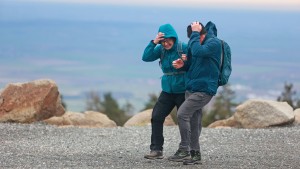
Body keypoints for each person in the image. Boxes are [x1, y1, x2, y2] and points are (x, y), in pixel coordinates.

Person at [168, 21, 222, 165]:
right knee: (194, 121)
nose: (195, 40)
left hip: (204, 90)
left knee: (182, 114)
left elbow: (198, 51)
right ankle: (195, 155)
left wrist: (195, 33)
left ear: (202, 33)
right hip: (192, 88)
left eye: (197, 36)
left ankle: (185, 149)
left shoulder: (214, 43)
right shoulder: (196, 43)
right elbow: (194, 63)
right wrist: (183, 65)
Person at [142, 23, 188, 159]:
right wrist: (153, 42)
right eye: (163, 41)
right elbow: (146, 57)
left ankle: (186, 149)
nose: (166, 43)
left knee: (184, 120)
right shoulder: (161, 49)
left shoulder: (183, 48)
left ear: (174, 38)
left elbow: (195, 63)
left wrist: (185, 63)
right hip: (167, 91)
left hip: (183, 90)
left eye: (168, 40)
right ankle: (156, 150)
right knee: (156, 117)